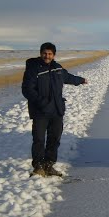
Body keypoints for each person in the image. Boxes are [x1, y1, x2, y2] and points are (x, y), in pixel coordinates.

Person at [22, 42, 87, 177]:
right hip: (41, 111)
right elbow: (27, 90)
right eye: (45, 53)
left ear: (54, 55)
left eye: (50, 53)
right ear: (40, 54)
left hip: (57, 111)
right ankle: (38, 167)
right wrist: (42, 102)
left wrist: (80, 80)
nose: (47, 56)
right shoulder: (33, 69)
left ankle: (49, 165)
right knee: (39, 139)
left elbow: (68, 77)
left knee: (54, 139)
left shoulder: (58, 68)